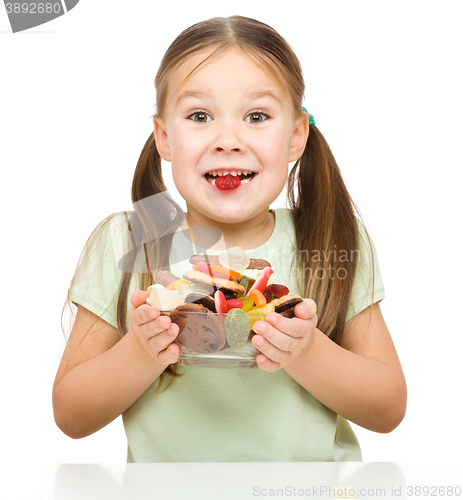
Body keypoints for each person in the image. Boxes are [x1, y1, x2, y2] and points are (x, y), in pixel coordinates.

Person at [53, 15, 407, 462]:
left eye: (256, 116)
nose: (228, 140)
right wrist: (141, 352)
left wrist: (307, 351)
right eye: (200, 116)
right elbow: (70, 414)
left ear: (296, 135)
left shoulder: (331, 237)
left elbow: (388, 408)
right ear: (164, 136)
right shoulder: (130, 238)